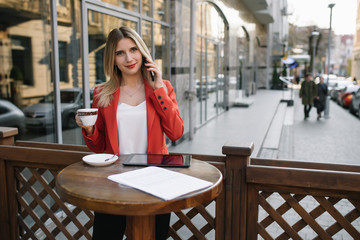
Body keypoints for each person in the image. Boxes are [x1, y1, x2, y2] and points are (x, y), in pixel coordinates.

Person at [75, 26, 184, 240]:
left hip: (154, 180)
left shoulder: (163, 87)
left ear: (142, 52)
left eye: (133, 49)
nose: (128, 58)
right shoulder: (102, 93)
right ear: (113, 59)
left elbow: (176, 132)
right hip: (113, 182)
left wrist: (158, 88)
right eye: (120, 53)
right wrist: (89, 128)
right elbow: (98, 147)